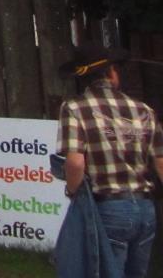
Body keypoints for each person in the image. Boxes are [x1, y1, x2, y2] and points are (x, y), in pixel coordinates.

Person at [57, 43, 163, 278]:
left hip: (108, 206)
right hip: (145, 207)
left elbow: (75, 162)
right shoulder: (143, 110)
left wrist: (73, 192)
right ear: (111, 72)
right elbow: (161, 162)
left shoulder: (75, 108)